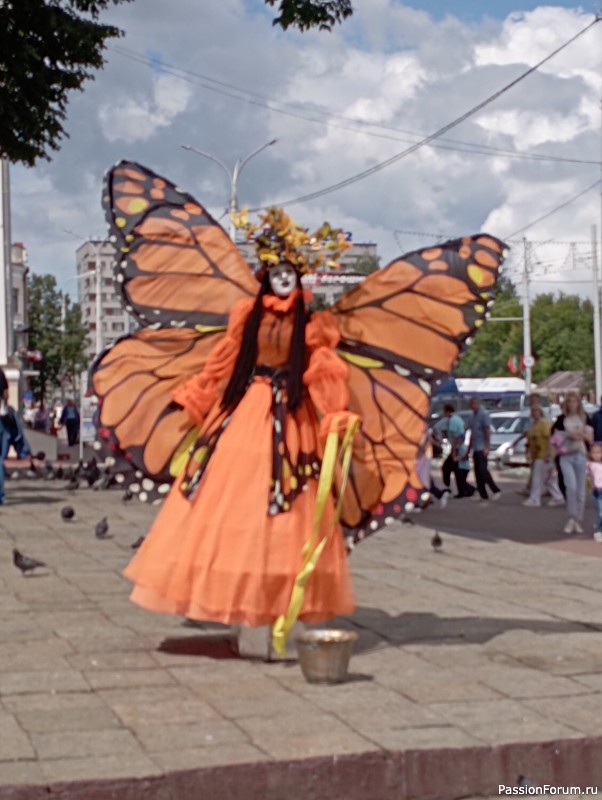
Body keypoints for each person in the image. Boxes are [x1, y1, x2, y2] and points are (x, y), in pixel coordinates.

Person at [123, 261, 359, 654]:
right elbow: (227, 359)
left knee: (289, 512)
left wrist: (334, 413)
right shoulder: (247, 316)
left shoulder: (312, 323)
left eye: (291, 273)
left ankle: (279, 607)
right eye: (277, 272)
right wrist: (198, 394)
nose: (284, 280)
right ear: (266, 276)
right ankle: (244, 607)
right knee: (237, 503)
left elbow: (321, 371)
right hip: (248, 411)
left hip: (291, 420)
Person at [549, 391, 593, 535]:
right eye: (569, 402)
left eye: (574, 401)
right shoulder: (561, 419)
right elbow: (554, 438)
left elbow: (590, 438)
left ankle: (577, 520)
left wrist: (583, 435)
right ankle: (571, 517)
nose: (571, 404)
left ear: (578, 403)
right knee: (571, 487)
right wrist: (568, 434)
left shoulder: (584, 418)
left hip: (580, 454)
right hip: (566, 456)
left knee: (581, 491)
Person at [522, 405, 563, 508]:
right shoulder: (533, 424)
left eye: (536, 410)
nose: (534, 413)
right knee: (548, 478)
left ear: (541, 412)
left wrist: (548, 453)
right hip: (536, 454)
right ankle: (558, 497)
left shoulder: (544, 423)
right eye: (532, 411)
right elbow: (530, 440)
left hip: (544, 454)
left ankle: (535, 499)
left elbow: (550, 438)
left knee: (537, 477)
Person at [466, 396, 501, 502]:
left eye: (475, 404)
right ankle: (482, 493)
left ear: (478, 404)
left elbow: (487, 431)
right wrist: (469, 448)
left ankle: (495, 490)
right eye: (472, 404)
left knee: (483, 470)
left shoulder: (483, 415)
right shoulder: (472, 416)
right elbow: (472, 433)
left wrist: (487, 446)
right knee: (477, 471)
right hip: (476, 447)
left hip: (482, 446)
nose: (473, 406)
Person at [439, 403, 466, 495]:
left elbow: (455, 436)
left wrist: (453, 450)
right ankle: (465, 490)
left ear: (447, 411)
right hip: (458, 447)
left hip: (456, 448)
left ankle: (449, 488)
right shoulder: (457, 419)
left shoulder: (452, 421)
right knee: (456, 470)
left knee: (446, 468)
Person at [587, 442, 602, 543]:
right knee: (600, 512)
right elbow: (587, 477)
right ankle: (597, 530)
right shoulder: (590, 465)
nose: (596, 455)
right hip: (598, 491)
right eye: (594, 452)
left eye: (599, 452)